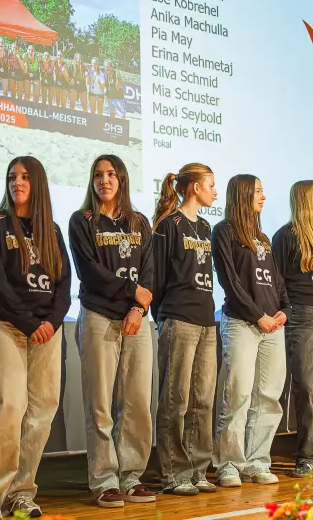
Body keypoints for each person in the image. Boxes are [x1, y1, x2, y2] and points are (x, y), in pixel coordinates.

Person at [0, 156, 71, 519]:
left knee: (41, 413)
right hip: (6, 326)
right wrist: (30, 323)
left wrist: (52, 321)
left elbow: (64, 284)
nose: (17, 182)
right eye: (12, 176)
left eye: (25, 177)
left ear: (38, 183)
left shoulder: (53, 230)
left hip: (48, 331)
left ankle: (21, 492)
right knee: (8, 408)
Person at [68, 155, 156, 508]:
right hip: (99, 317)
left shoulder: (140, 222)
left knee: (136, 403)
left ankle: (132, 475)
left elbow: (148, 272)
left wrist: (138, 307)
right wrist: (130, 292)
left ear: (121, 179)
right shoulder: (82, 220)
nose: (104, 180)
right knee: (101, 405)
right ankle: (105, 479)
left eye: (110, 174)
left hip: (136, 320)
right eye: (97, 175)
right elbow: (89, 271)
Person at [212, 175, 288, 487]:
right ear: (242, 194)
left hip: (273, 326)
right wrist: (258, 316)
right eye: (258, 191)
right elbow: (230, 282)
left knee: (268, 396)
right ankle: (228, 463)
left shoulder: (263, 237)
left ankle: (257, 461)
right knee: (238, 394)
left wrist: (285, 308)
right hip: (242, 323)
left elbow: (277, 281)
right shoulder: (224, 231)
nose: (264, 196)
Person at [152, 163, 218, 496]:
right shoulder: (169, 224)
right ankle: (174, 473)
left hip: (207, 320)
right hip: (178, 318)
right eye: (210, 184)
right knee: (176, 398)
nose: (214, 191)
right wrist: (163, 316)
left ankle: (197, 469)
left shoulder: (206, 227)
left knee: (203, 399)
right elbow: (158, 275)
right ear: (193, 187)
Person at [272, 181, 313, 476]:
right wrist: (285, 311)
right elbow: (277, 280)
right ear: (305, 199)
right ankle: (304, 455)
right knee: (306, 386)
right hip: (302, 313)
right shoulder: (286, 235)